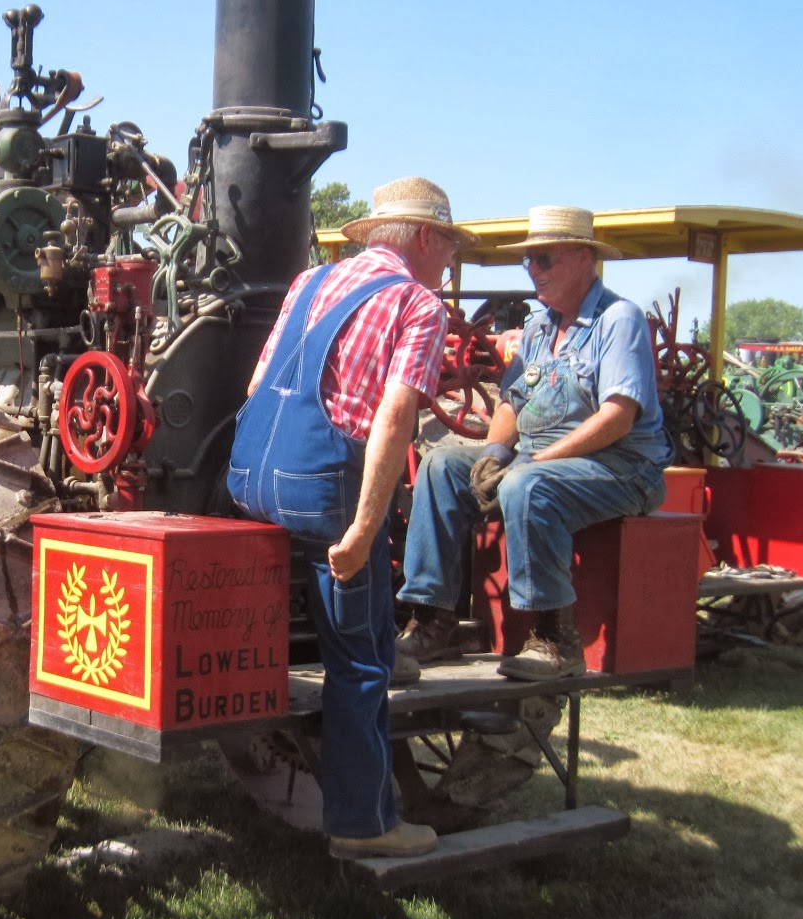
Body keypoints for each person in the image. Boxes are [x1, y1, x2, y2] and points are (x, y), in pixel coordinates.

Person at [228, 175, 470, 860]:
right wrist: (365, 530)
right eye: (448, 243)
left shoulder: (310, 282)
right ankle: (364, 826)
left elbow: (254, 387)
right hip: (323, 496)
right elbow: (396, 415)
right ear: (425, 238)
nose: (449, 258)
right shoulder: (417, 304)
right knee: (363, 660)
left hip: (250, 480)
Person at [396, 205, 672, 680]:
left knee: (529, 486)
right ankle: (433, 620)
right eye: (528, 261)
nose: (532, 270)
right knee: (441, 466)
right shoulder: (541, 326)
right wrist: (494, 454)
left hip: (623, 467)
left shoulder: (618, 319)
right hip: (542, 460)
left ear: (584, 258)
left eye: (543, 259)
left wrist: (532, 461)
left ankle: (555, 640)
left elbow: (617, 418)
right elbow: (510, 403)